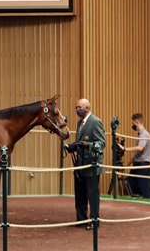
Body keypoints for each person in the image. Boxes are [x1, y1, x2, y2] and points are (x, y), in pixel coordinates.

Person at [65, 98, 106, 230]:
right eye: (76, 107)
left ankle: (94, 221)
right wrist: (74, 147)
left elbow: (101, 144)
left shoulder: (95, 122)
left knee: (92, 195)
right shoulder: (80, 123)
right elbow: (80, 143)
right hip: (80, 165)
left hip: (91, 165)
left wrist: (87, 145)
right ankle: (81, 220)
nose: (77, 110)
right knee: (80, 194)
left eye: (79, 107)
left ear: (87, 108)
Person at [120, 113, 150, 198]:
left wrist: (125, 149)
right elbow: (137, 155)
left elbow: (140, 148)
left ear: (137, 122)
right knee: (131, 184)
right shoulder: (140, 135)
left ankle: (148, 205)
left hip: (143, 165)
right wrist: (127, 165)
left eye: (133, 123)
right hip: (138, 163)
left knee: (143, 187)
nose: (132, 125)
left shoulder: (144, 134)